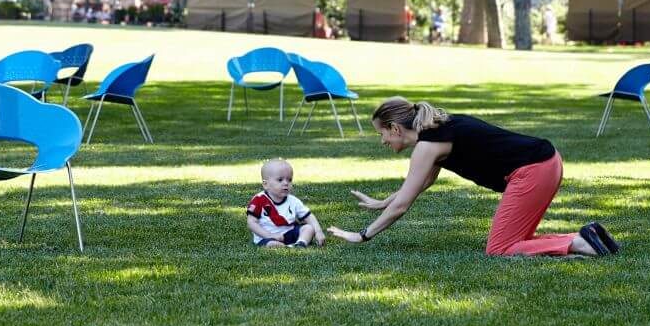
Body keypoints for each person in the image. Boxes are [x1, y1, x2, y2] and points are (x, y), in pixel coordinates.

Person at [330, 98, 618, 257]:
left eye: (380, 133)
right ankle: (587, 236)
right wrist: (383, 202)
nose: (381, 141)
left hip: (532, 170)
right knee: (516, 241)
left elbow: (403, 205)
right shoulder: (435, 133)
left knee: (500, 249)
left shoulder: (428, 145)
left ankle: (579, 244)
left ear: (394, 128)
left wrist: (362, 235)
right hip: (546, 162)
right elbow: (420, 185)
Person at [246, 158, 325, 248]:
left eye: (289, 180)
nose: (286, 183)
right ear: (265, 184)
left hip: (289, 233)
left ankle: (301, 243)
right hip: (267, 237)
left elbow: (308, 216)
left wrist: (318, 231)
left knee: (308, 228)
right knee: (270, 244)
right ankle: (284, 247)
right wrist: (269, 235)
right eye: (280, 180)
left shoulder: (293, 200)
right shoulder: (259, 200)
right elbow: (251, 223)